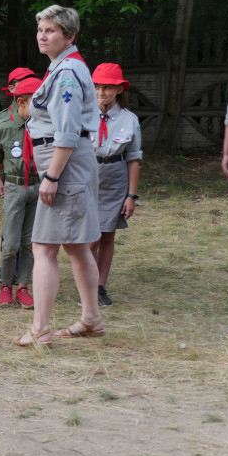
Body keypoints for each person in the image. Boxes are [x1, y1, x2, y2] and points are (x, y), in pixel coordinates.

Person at [12, 5, 103, 347]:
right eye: (40, 30)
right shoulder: (62, 68)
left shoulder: (66, 74)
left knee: (43, 248)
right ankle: (91, 319)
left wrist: (51, 177)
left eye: (51, 30)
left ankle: (40, 329)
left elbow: (66, 133)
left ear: (70, 36)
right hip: (68, 161)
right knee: (78, 247)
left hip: (63, 162)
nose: (42, 35)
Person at [0, 76, 42, 309]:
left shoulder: (44, 126)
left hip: (38, 187)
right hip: (15, 187)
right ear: (21, 102)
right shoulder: (3, 127)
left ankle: (23, 286)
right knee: (10, 243)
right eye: (36, 103)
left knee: (30, 242)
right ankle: (6, 286)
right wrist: (12, 173)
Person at [89, 63, 142, 307]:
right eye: (97, 86)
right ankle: (86, 285)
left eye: (108, 87)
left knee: (107, 234)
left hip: (114, 180)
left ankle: (100, 286)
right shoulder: (82, 114)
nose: (102, 92)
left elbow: (133, 159)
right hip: (87, 177)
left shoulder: (129, 120)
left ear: (119, 89)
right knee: (89, 236)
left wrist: (131, 195)